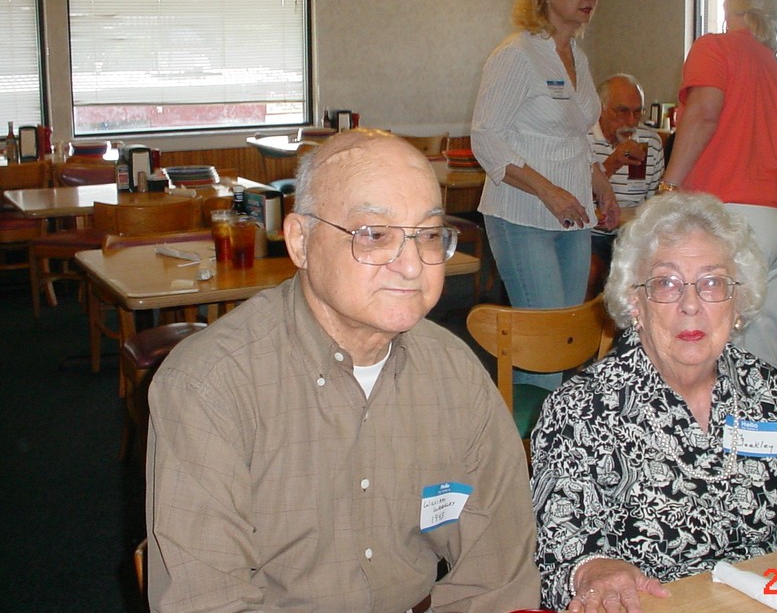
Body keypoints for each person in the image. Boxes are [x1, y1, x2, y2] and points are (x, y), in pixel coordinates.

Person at [145, 129, 541, 612]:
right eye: (375, 235)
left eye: (428, 235)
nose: (412, 266)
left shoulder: (455, 374)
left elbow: (497, 574)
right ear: (301, 241)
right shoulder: (211, 385)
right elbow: (208, 602)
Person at [531, 191, 777, 612]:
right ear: (634, 301)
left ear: (738, 301)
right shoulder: (579, 410)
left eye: (712, 283)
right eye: (666, 284)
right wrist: (591, 570)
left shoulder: (766, 390)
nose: (691, 305)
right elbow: (557, 557)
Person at [471, 0, 620, 390]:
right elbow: (486, 138)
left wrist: (600, 182)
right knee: (546, 345)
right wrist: (548, 191)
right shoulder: (516, 54)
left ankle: (540, 427)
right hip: (522, 215)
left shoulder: (577, 56)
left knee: (566, 340)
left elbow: (575, 133)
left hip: (573, 216)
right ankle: (525, 431)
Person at [661, 0, 777, 371]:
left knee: (708, 347)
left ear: (728, 6)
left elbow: (703, 116)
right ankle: (764, 414)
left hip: (734, 215)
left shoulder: (715, 48)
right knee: (760, 352)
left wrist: (667, 189)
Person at [589, 73, 665, 276]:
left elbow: (655, 202)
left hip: (632, 234)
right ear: (601, 108)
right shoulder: (582, 139)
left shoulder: (650, 142)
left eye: (638, 112)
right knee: (591, 270)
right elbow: (575, 197)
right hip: (591, 233)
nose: (631, 121)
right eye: (622, 111)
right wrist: (613, 162)